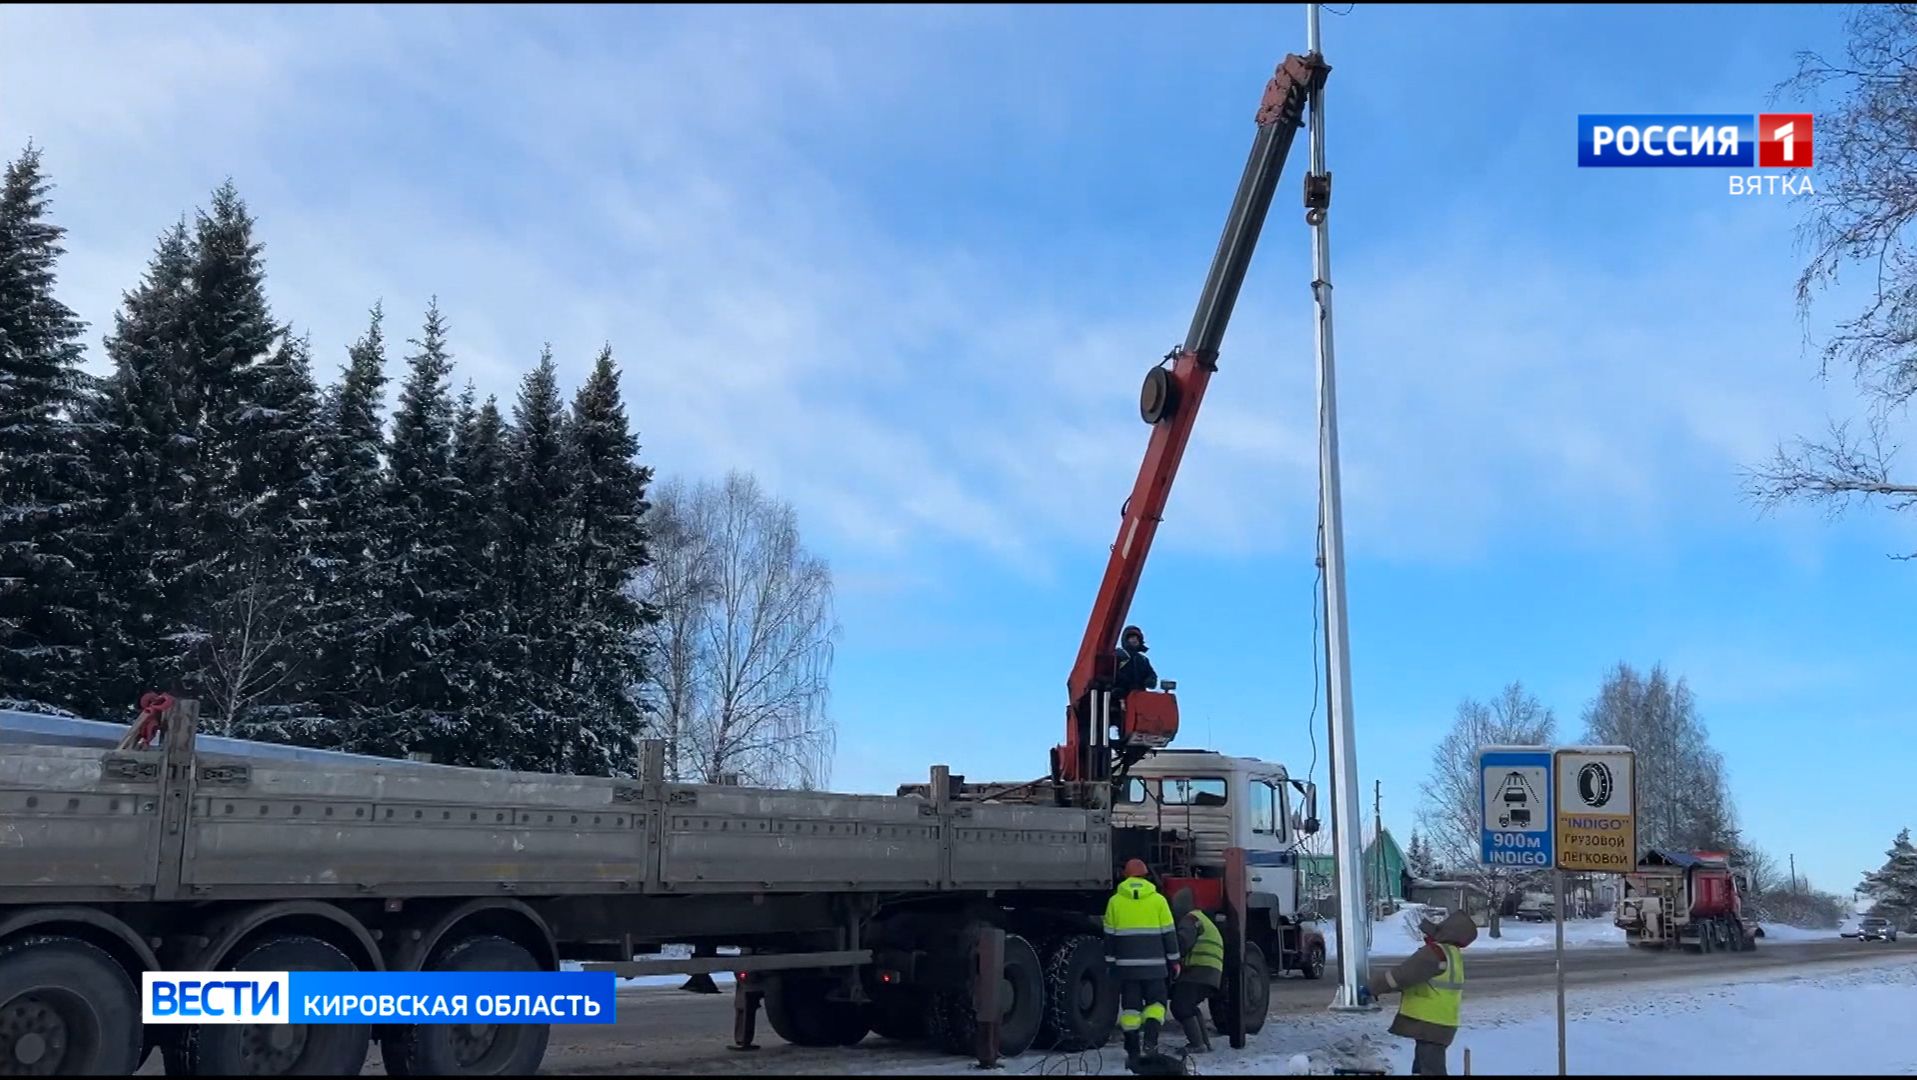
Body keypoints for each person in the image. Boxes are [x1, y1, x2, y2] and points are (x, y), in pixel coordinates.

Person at [1364, 910, 1476, 1075]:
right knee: (1423, 1068)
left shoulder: (1436, 953)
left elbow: (1402, 976)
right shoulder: (1453, 955)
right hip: (1442, 1024)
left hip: (1429, 1025)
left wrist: (1372, 987)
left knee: (1430, 1070)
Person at [1103, 858, 1180, 1065]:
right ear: (1146, 876)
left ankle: (1132, 1050)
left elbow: (1109, 938)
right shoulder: (1158, 900)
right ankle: (1150, 1043)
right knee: (1156, 1005)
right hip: (1155, 969)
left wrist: (1111, 964)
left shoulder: (1115, 902)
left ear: (1125, 876)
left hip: (1127, 970)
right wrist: (1174, 961)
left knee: (1130, 1010)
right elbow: (1169, 935)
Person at [1169, 888, 1223, 1053]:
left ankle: (1197, 1044)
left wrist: (1170, 952)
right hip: (1210, 972)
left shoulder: (1190, 920)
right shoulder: (1202, 918)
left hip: (1199, 970)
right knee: (1190, 1006)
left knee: (1180, 1006)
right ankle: (1204, 1044)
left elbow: (1183, 942)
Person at [1113, 625, 1159, 695]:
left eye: (1137, 638)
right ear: (1126, 640)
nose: (1135, 640)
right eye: (1131, 638)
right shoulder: (1119, 654)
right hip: (1120, 694)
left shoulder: (1143, 660)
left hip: (1139, 695)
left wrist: (1151, 680)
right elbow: (1110, 671)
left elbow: (1151, 674)